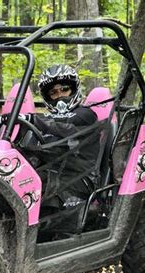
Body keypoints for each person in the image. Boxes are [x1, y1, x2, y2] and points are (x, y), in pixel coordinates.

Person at [31, 64, 100, 233]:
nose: (60, 97)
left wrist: (33, 119)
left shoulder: (86, 114)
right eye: (53, 93)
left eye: (64, 90)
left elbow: (66, 124)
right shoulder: (45, 121)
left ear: (74, 90)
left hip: (79, 181)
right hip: (51, 176)